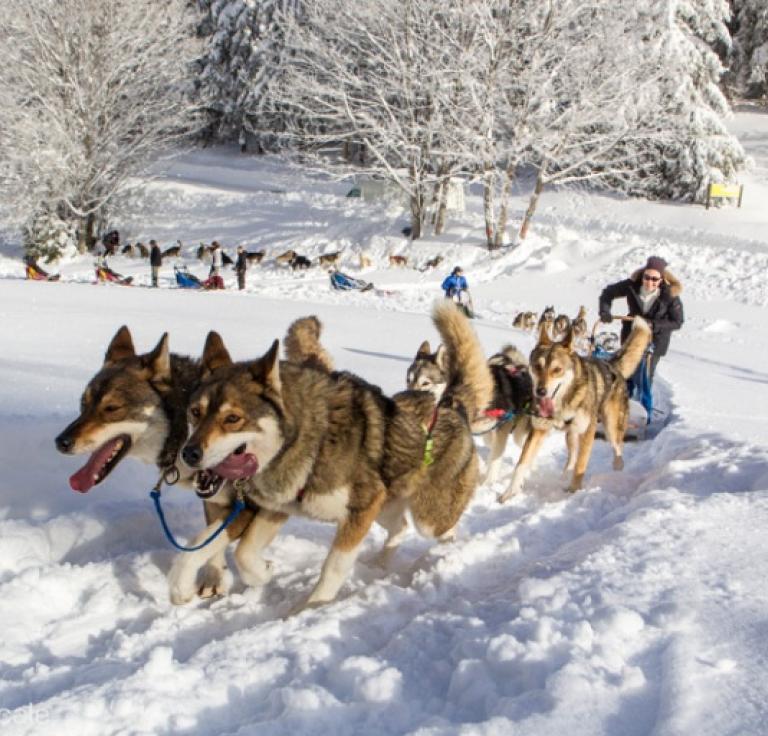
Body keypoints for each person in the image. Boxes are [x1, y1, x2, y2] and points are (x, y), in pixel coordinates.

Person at [598, 255, 684, 382]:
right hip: (631, 336)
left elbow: (677, 322)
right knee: (625, 373)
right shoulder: (632, 286)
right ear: (643, 275)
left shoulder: (670, 295)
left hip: (655, 341)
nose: (650, 282)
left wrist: (653, 325)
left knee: (646, 376)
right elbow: (608, 293)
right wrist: (605, 311)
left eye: (654, 279)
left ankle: (643, 399)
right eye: (647, 277)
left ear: (661, 279)